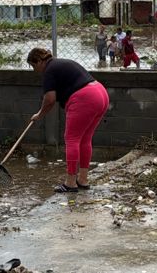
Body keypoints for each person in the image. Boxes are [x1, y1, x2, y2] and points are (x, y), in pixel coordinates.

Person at [27, 47, 109, 193]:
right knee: (85, 139)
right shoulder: (59, 63)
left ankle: (70, 183)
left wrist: (40, 114)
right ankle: (82, 180)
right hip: (100, 92)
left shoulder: (49, 71)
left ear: (39, 61)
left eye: (34, 66)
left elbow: (50, 99)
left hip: (85, 97)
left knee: (72, 139)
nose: (35, 70)